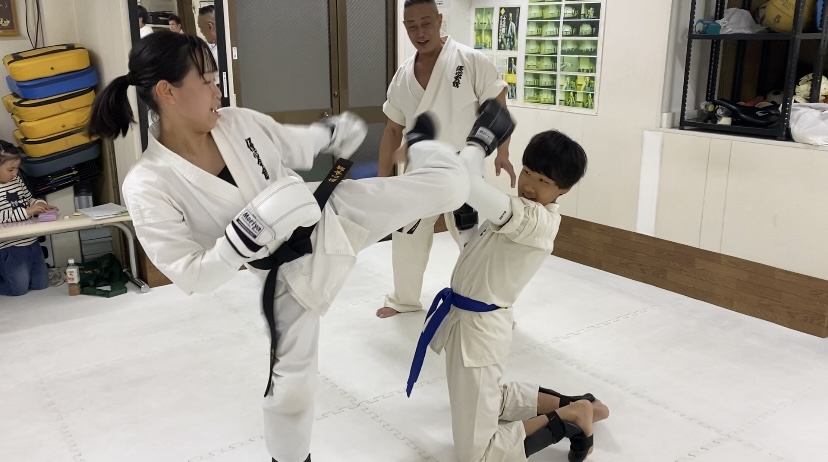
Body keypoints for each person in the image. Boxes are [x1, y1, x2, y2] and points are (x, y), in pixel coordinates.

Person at [86, 31, 477, 462]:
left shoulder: (236, 122)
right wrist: (241, 238)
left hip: (330, 212)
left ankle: (426, 148)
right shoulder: (148, 183)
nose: (218, 91)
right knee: (291, 391)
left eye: (217, 80)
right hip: (286, 277)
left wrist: (332, 132)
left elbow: (295, 143)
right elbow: (193, 275)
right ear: (167, 92)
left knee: (452, 186)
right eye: (207, 81)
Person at [406, 101, 609, 462]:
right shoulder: (513, 212)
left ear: (563, 190)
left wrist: (478, 143)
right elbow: (472, 243)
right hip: (466, 323)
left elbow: (467, 183)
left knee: (477, 455)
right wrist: (464, 214)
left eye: (544, 181)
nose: (530, 184)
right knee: (488, 398)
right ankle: (579, 404)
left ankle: (571, 418)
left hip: (480, 331)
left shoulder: (536, 221)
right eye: (528, 172)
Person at [377, 0, 515, 319]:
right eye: (412, 26)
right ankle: (404, 299)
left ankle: (490, 303)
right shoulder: (402, 76)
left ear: (440, 20)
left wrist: (503, 153)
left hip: (463, 169)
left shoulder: (470, 60)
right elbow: (393, 130)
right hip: (420, 171)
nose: (420, 32)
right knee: (407, 236)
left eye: (426, 23)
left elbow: (497, 108)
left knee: (473, 239)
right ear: (405, 27)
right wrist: (383, 180)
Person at [0, 142, 56, 297]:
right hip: (10, 247)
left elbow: (29, 199)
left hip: (31, 241)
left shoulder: (17, 181)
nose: (15, 173)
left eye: (17, 168)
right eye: (10, 169)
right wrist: (26, 212)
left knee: (41, 284)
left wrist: (40, 204)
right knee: (17, 290)